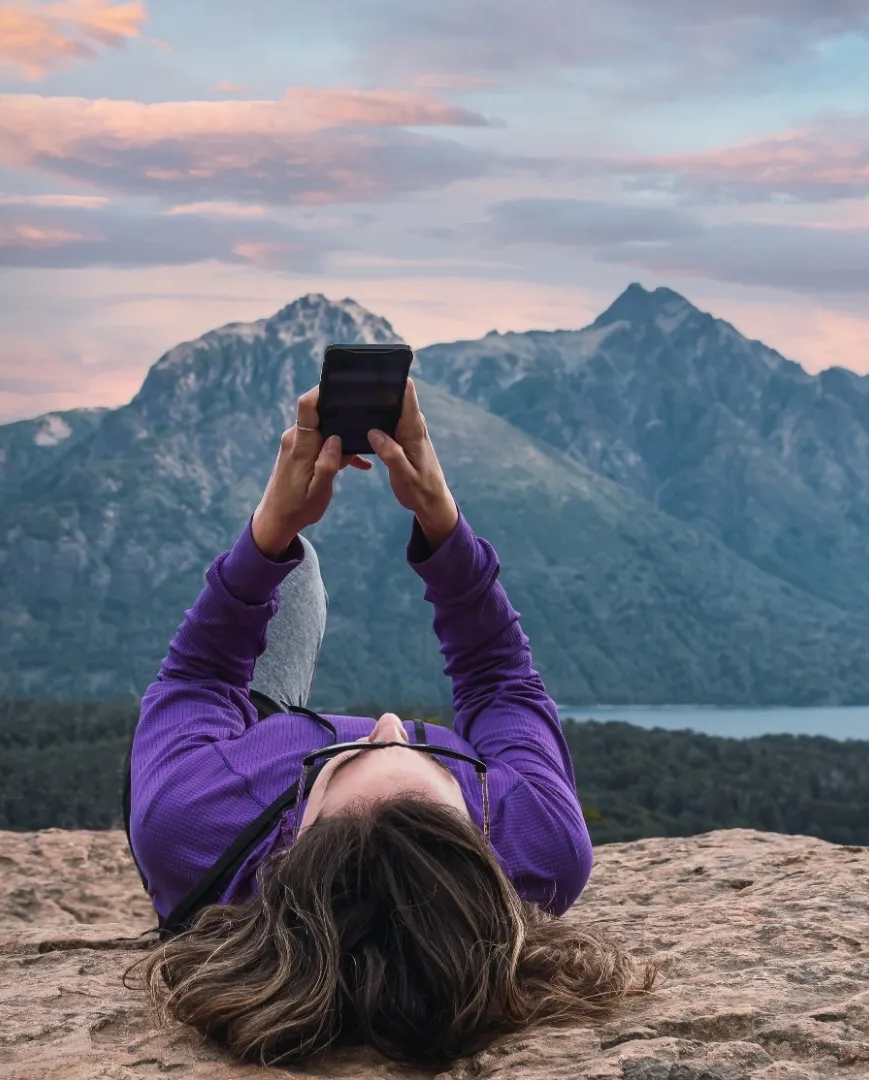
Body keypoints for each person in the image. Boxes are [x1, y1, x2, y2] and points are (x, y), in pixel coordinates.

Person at [124, 379, 656, 1068]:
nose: (384, 722)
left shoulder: (196, 817)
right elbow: (500, 681)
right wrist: (441, 518)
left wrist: (270, 530)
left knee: (293, 571)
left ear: (292, 848)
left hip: (241, 735)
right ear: (477, 851)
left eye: (340, 760)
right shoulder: (539, 845)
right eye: (441, 766)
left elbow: (197, 678)